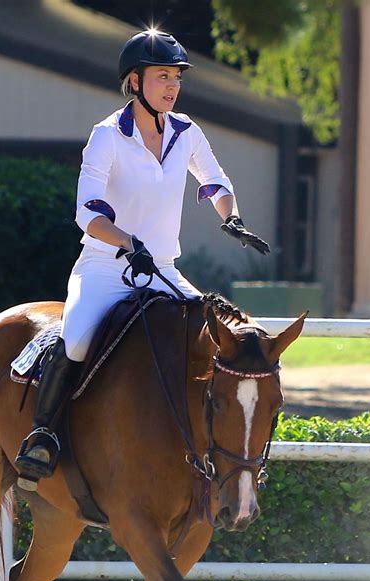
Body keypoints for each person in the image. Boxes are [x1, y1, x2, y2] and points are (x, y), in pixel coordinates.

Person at [15, 29, 270, 488]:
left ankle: (209, 446)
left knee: (221, 340)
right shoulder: (107, 137)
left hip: (163, 270)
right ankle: (43, 435)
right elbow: (88, 214)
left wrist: (230, 219)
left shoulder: (186, 131)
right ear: (134, 81)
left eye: (176, 78)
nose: (172, 86)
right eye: (162, 77)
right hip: (105, 269)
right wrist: (129, 242)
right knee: (74, 339)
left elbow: (214, 181)